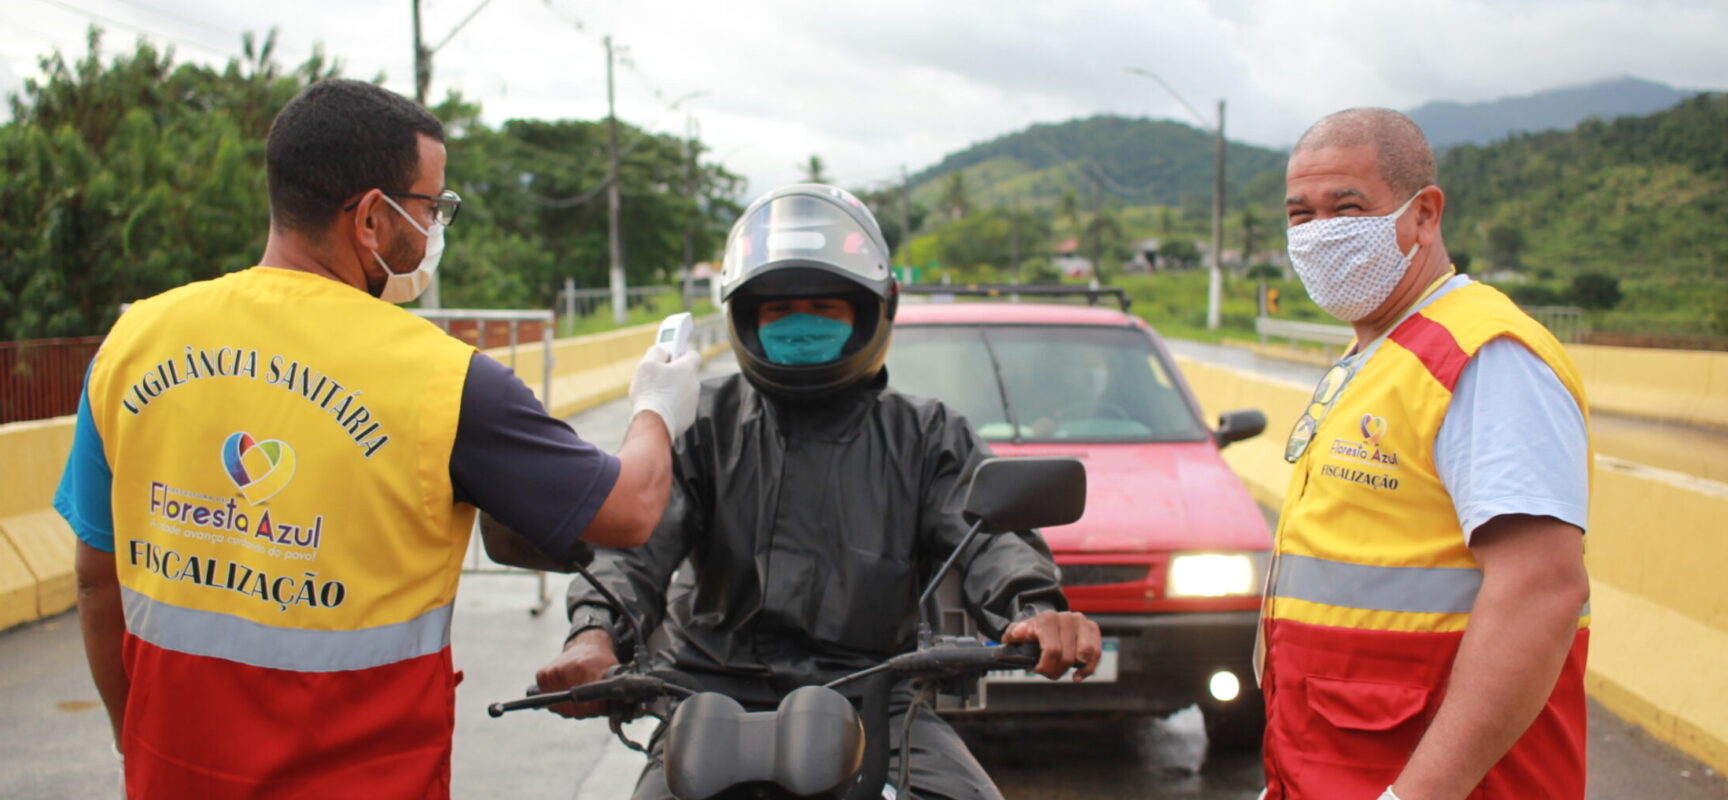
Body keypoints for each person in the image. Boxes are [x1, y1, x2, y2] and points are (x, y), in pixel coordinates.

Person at [53, 79, 699, 798]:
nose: (435, 230)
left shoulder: (134, 343)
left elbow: (94, 577)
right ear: (369, 219)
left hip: (169, 778)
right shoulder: (446, 381)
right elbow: (632, 507)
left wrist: (131, 739)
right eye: (432, 207)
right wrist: (657, 406)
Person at [534, 184, 1102, 800]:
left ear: (872, 311)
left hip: (876, 700)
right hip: (704, 701)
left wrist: (1034, 611)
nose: (800, 324)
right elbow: (635, 544)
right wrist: (593, 632)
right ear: (745, 319)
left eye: (824, 307)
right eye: (779, 311)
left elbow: (993, 536)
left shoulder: (928, 433)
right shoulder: (699, 423)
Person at [1259, 108, 1592, 800]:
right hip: (1335, 767)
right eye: (1301, 214)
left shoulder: (1484, 356)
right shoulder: (1378, 352)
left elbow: (1542, 591)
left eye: (1346, 206)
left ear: (1424, 214)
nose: (1321, 233)